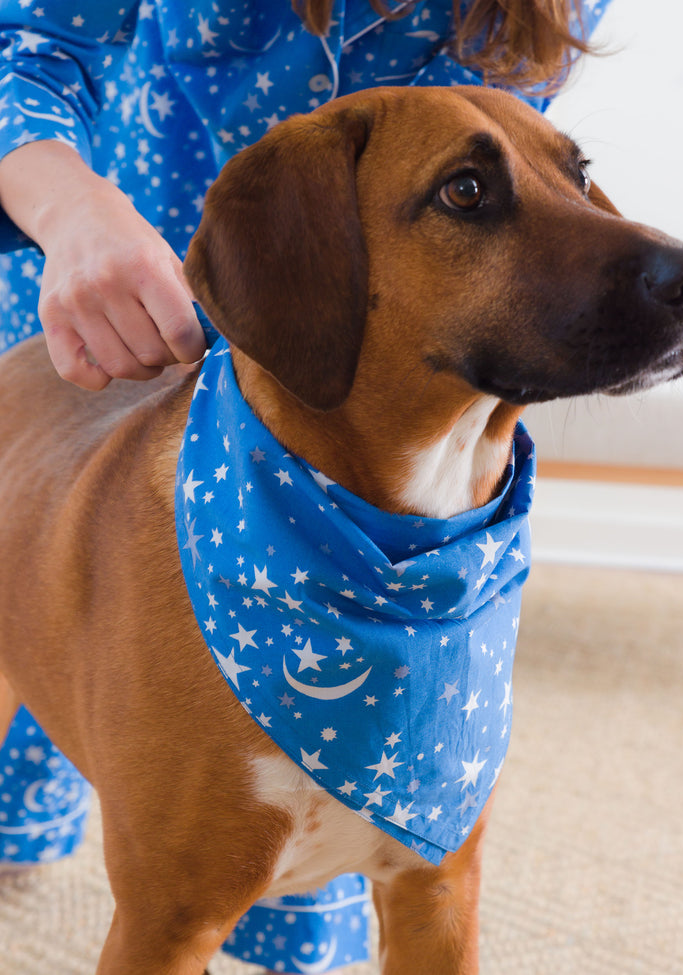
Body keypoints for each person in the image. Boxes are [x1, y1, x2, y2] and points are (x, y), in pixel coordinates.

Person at [0, 2, 611, 971]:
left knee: (336, 898)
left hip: (364, 411)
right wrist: (71, 211)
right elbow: (30, 42)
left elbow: (512, 179)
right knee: (74, 825)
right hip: (105, 295)